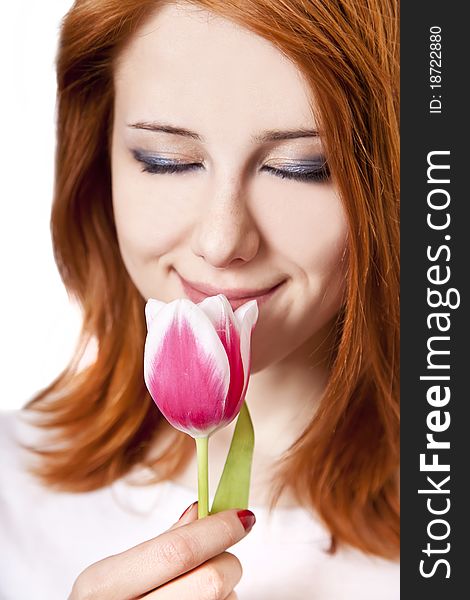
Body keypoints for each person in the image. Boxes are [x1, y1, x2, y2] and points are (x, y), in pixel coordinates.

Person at [0, 0, 400, 598]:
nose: (221, 242)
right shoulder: (11, 494)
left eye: (302, 168)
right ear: (97, 161)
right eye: (166, 161)